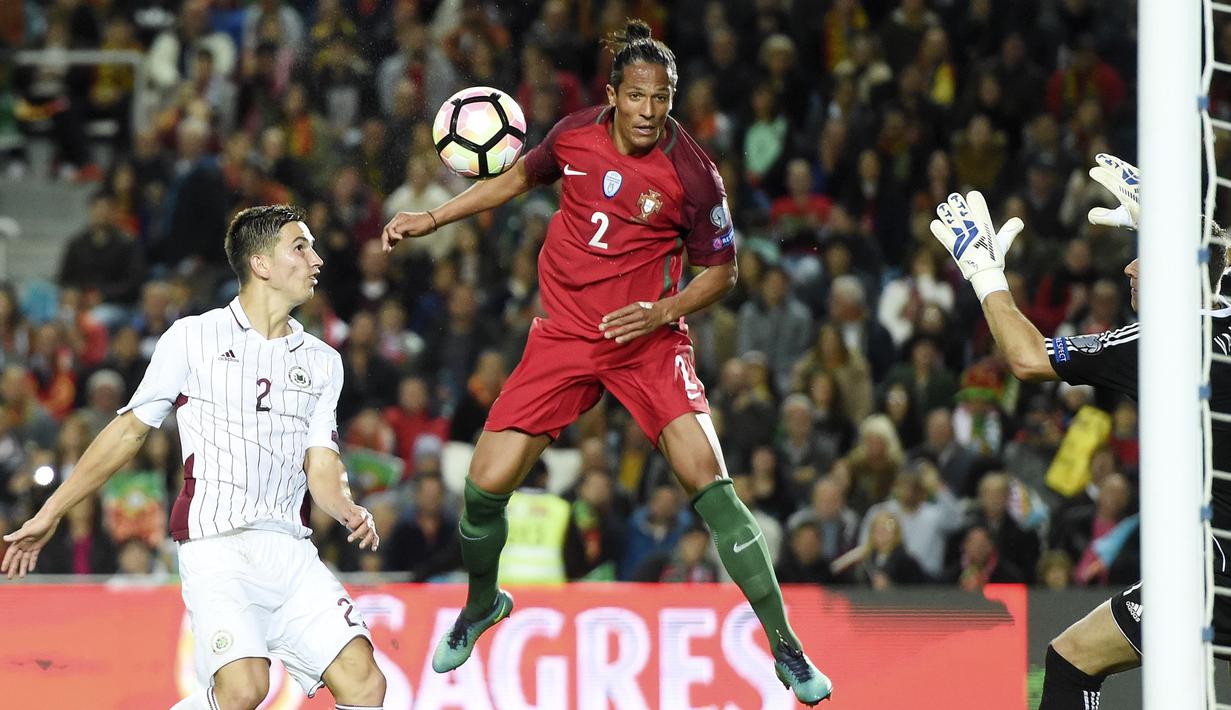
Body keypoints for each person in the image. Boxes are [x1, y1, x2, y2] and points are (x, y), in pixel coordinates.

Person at [381, 19, 832, 705]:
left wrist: (660, 311)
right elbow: (514, 181)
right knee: (481, 490)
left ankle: (787, 650)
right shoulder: (572, 136)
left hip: (646, 341)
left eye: (663, 98)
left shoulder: (694, 174)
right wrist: (434, 217)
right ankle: (480, 606)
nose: (651, 112)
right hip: (563, 335)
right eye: (639, 97)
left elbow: (723, 273)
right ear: (614, 94)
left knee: (712, 487)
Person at [2, 205, 387, 710]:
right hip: (216, 546)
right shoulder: (192, 338)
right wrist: (50, 511)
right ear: (261, 264)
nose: (316, 260)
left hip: (291, 550)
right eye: (301, 247)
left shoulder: (324, 362)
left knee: (366, 683)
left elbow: (322, 463)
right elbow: (126, 434)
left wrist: (346, 508)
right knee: (244, 689)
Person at [928, 154, 1231, 710]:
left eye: (1145, 259)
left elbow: (1024, 357)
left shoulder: (1160, 340)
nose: (1129, 270)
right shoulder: (1224, 301)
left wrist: (984, 272)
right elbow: (1220, 252)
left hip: (1218, 575)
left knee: (1070, 663)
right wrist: (1165, 220)